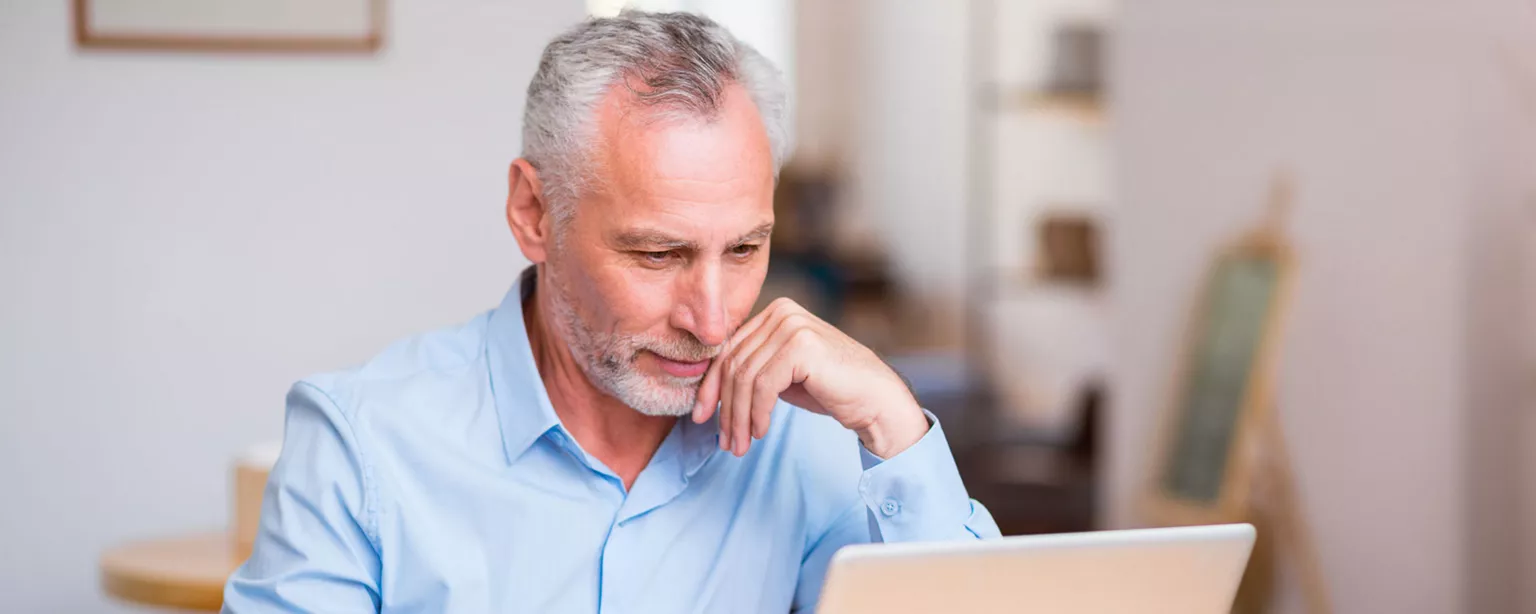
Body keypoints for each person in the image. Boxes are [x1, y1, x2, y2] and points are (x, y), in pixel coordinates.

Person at [223, 9, 998, 613]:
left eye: (744, 250)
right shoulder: (363, 447)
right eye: (658, 255)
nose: (715, 319)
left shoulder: (810, 439)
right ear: (534, 213)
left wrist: (895, 425)